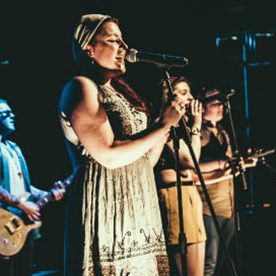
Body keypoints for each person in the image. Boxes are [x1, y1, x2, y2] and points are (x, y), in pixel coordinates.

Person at [59, 14, 186, 275]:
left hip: (138, 207)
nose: (124, 48)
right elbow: (107, 155)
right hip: (106, 209)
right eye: (114, 40)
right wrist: (162, 124)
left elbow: (144, 161)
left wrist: (166, 123)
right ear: (89, 49)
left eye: (123, 41)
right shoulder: (81, 86)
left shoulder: (119, 93)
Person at [194, 88, 257, 276]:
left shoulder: (222, 131)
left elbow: (226, 168)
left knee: (223, 260)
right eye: (214, 104)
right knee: (209, 262)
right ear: (202, 107)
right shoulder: (201, 133)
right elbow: (193, 166)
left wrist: (240, 164)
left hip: (227, 206)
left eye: (221, 104)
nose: (220, 107)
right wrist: (223, 163)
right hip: (208, 207)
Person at [0, 98, 65, 276]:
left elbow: (24, 188)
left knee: (24, 270)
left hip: (22, 223)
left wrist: (48, 194)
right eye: (5, 113)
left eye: (11, 112)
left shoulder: (14, 148)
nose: (12, 116)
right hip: (3, 223)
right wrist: (18, 203)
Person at [155, 76, 206, 276]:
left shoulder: (180, 126)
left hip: (189, 194)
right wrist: (197, 125)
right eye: (183, 93)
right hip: (174, 196)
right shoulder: (164, 124)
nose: (191, 98)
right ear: (167, 95)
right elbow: (190, 160)